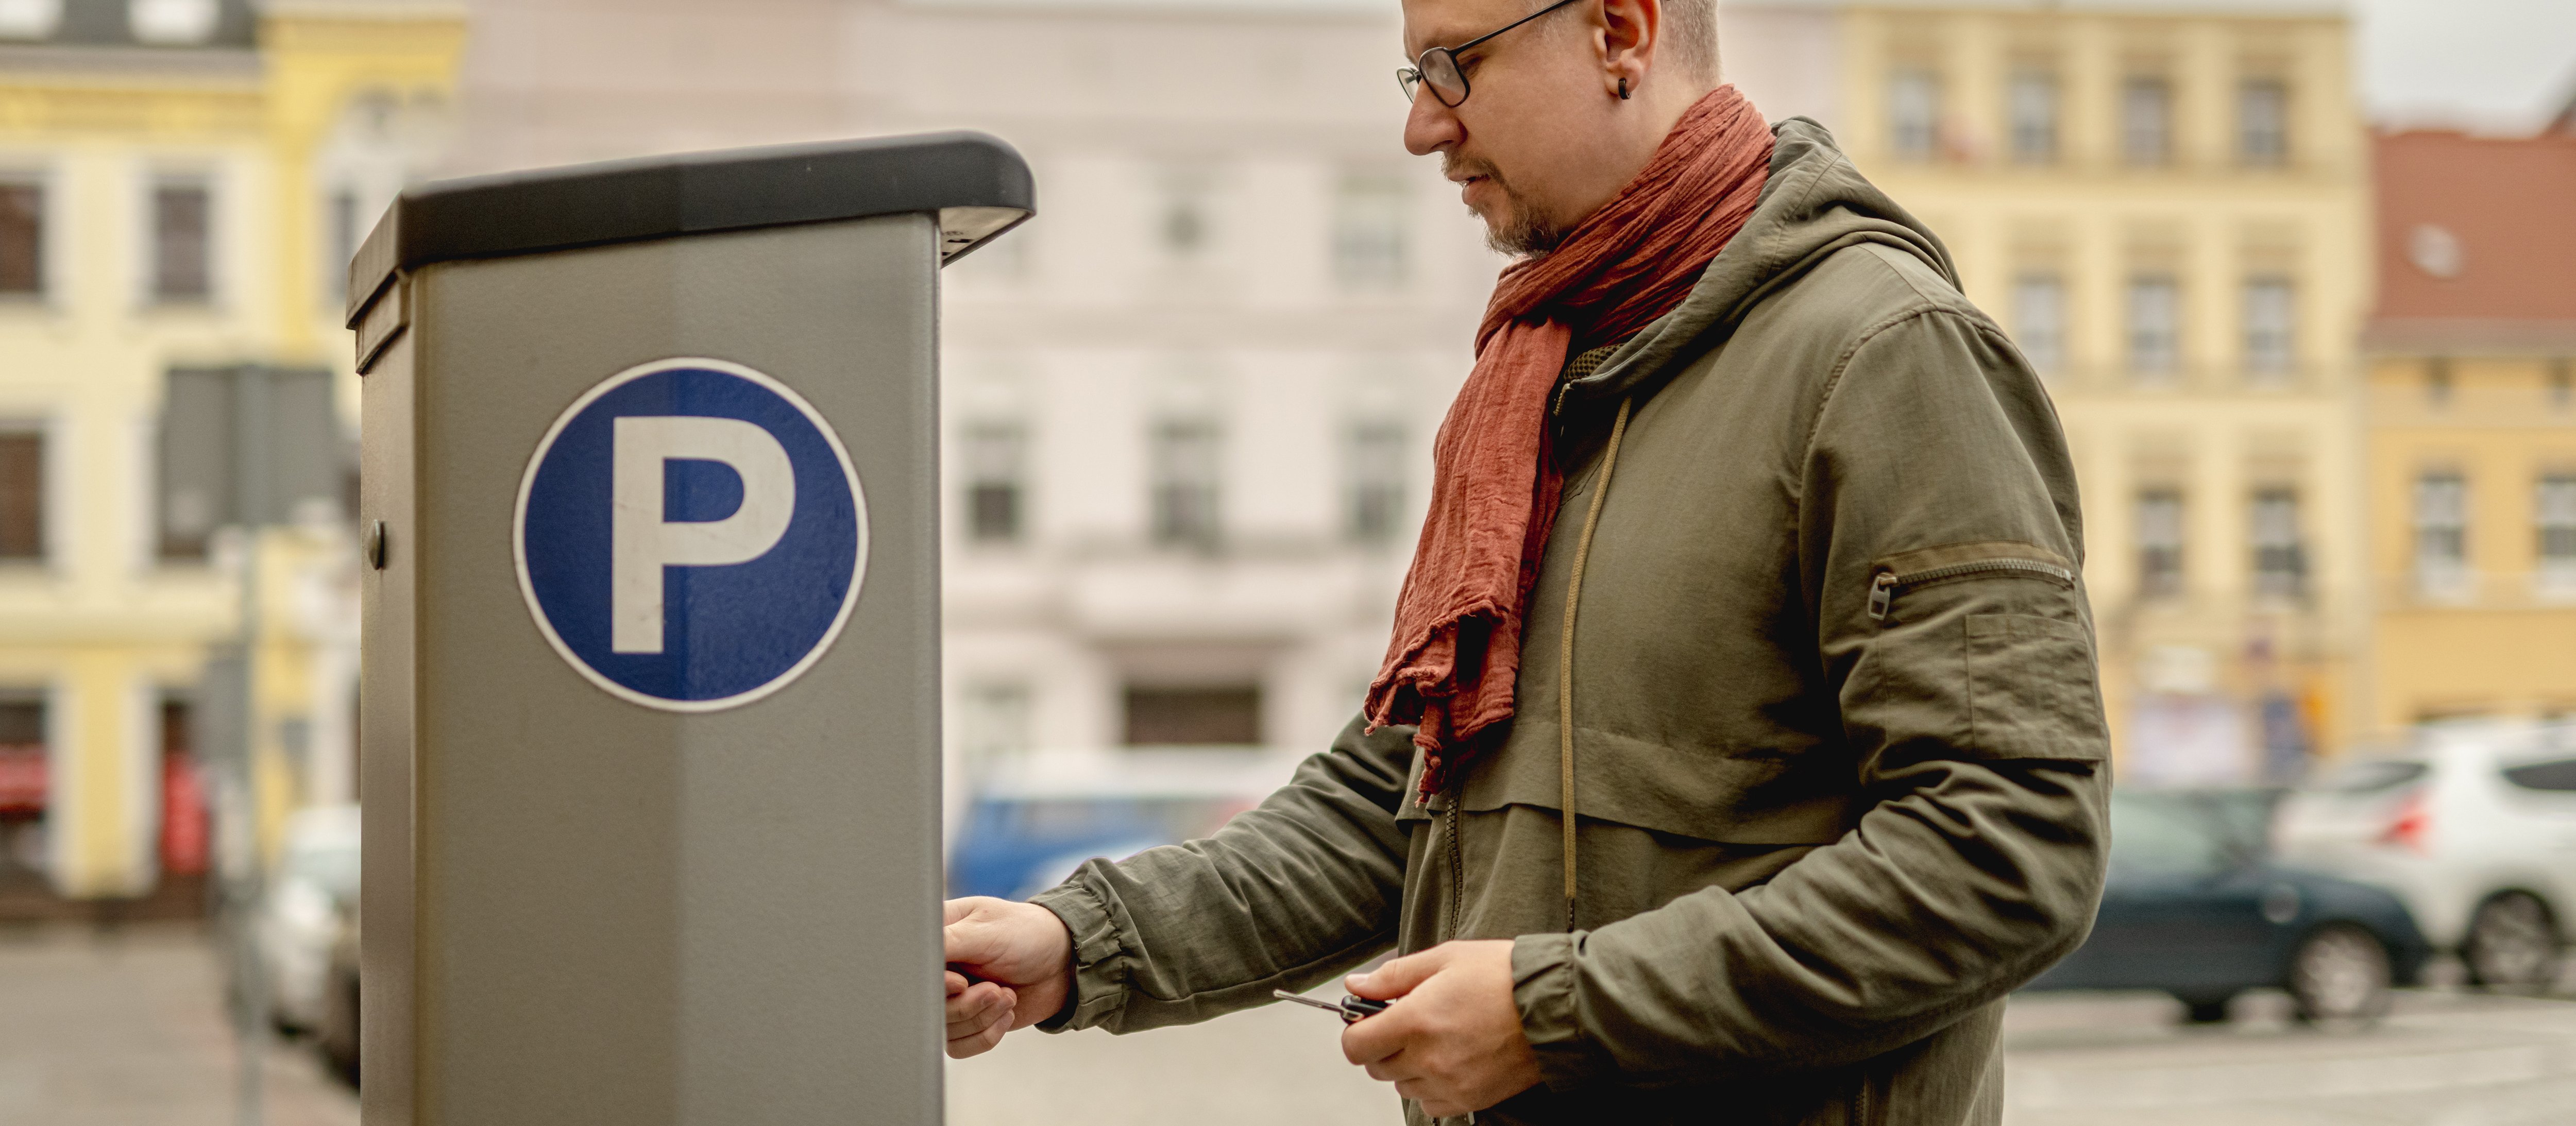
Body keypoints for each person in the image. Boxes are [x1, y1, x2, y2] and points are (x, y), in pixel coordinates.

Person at [941, 0, 2111, 1121]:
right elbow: (1386, 805)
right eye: (1416, 75)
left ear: (1620, 31)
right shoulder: (1541, 378)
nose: (1422, 126)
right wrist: (1073, 944)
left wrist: (1553, 1013)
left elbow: (2004, 847)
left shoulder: (1886, 354)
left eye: (1459, 65)